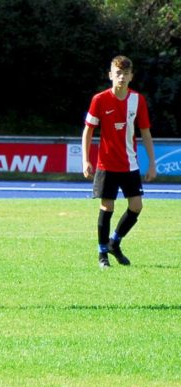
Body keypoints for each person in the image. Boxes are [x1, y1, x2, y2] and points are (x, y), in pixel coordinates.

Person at [81, 55, 156, 269]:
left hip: (130, 164)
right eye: (118, 73)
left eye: (125, 73)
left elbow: (145, 132)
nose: (121, 77)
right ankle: (102, 253)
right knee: (107, 206)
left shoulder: (137, 100)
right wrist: (86, 160)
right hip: (106, 165)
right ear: (110, 75)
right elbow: (88, 130)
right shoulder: (99, 99)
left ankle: (115, 242)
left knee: (136, 206)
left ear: (131, 76)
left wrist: (152, 163)